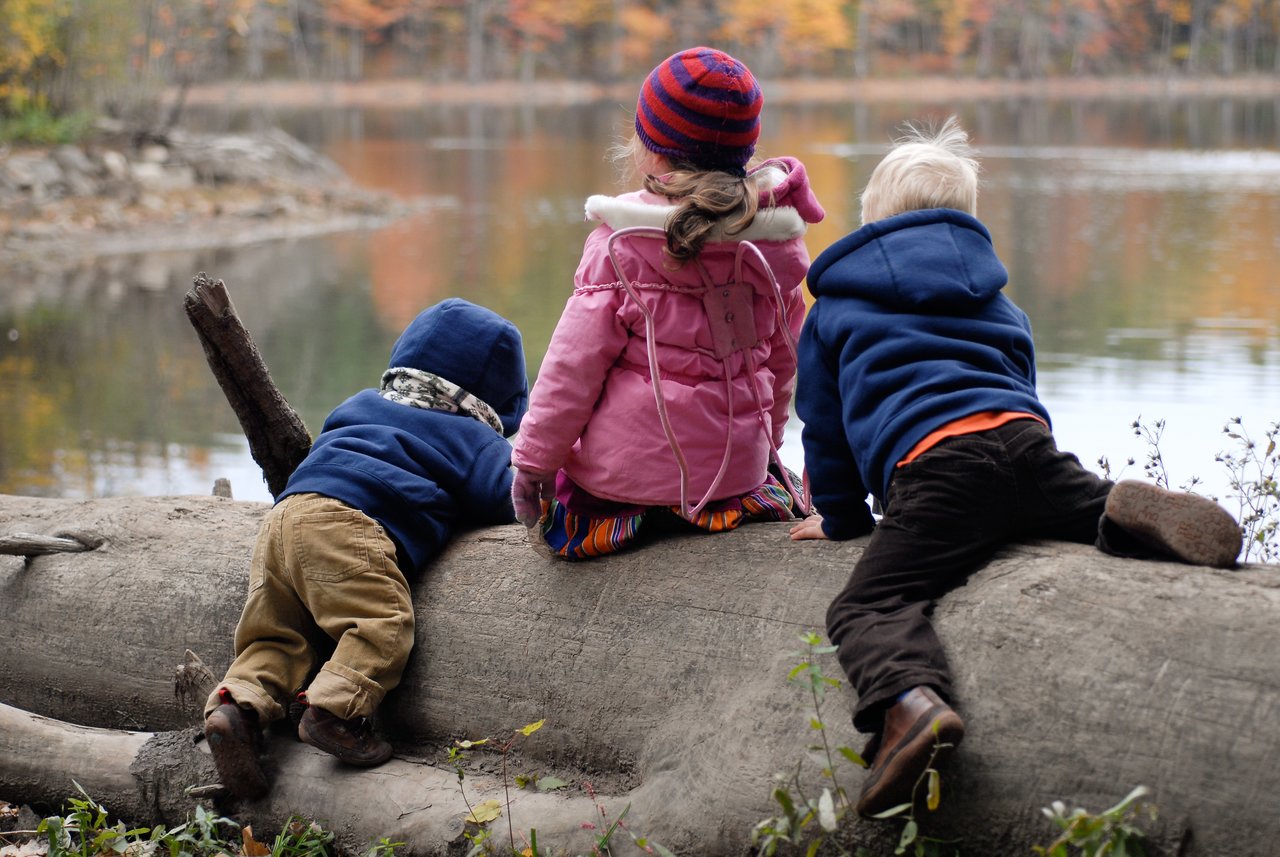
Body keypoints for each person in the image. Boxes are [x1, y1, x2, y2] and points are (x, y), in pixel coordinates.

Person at [789, 117, 1242, 816]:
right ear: (963, 223)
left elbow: (825, 429)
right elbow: (1022, 386)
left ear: (871, 223)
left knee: (868, 604)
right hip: (1028, 447)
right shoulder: (997, 298)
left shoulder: (836, 309)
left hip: (937, 469)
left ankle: (911, 704)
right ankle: (1120, 514)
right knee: (1074, 502)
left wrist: (844, 519)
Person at [203, 298, 528, 799]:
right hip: (351, 527)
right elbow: (506, 499)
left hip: (285, 520)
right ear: (496, 400)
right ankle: (333, 712)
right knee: (380, 625)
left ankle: (237, 707)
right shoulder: (471, 437)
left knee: (279, 633)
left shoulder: (357, 404)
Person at [510, 46, 824, 558]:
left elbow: (571, 372)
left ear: (649, 148)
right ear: (744, 152)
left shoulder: (620, 244)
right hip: (732, 487)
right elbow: (784, 366)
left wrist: (533, 464)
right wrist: (764, 448)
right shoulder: (776, 248)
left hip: (621, 494)